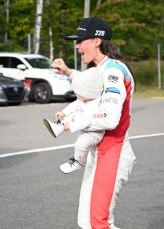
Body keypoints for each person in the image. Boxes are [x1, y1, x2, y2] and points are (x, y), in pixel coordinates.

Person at [51, 16, 136, 229]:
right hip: (99, 153)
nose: (77, 46)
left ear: (97, 41)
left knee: (99, 223)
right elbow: (87, 87)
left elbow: (109, 117)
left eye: (81, 40)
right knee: (87, 222)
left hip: (113, 153)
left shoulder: (114, 70)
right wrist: (68, 72)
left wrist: (74, 123)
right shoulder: (100, 68)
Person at [43, 67, 105, 174]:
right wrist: (63, 112)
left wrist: (70, 126)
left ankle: (78, 161)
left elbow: (86, 121)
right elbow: (75, 104)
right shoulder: (85, 99)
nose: (75, 94)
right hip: (84, 127)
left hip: (94, 134)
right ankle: (59, 126)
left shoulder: (94, 105)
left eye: (77, 92)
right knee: (74, 113)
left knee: (80, 144)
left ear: (87, 93)